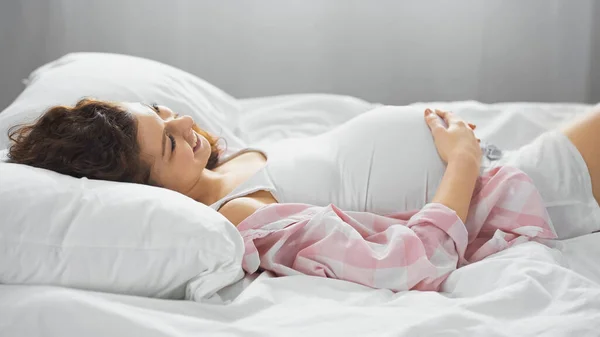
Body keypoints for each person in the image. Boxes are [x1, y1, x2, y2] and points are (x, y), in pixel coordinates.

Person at [7, 98, 600, 240]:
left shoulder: (225, 161)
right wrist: (464, 162)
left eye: (166, 113)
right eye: (169, 142)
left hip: (496, 160)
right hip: (517, 192)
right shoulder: (245, 216)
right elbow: (408, 259)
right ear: (145, 188)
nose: (186, 123)